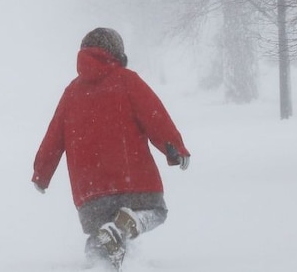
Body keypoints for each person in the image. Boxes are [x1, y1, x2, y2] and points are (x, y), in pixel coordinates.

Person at [32, 27, 190, 268]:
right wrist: (175, 148)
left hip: (90, 192)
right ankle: (130, 222)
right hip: (133, 181)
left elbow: (53, 138)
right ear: (116, 52)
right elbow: (154, 117)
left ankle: (100, 264)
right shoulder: (127, 81)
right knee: (155, 212)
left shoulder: (71, 93)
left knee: (100, 234)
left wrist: (41, 174)